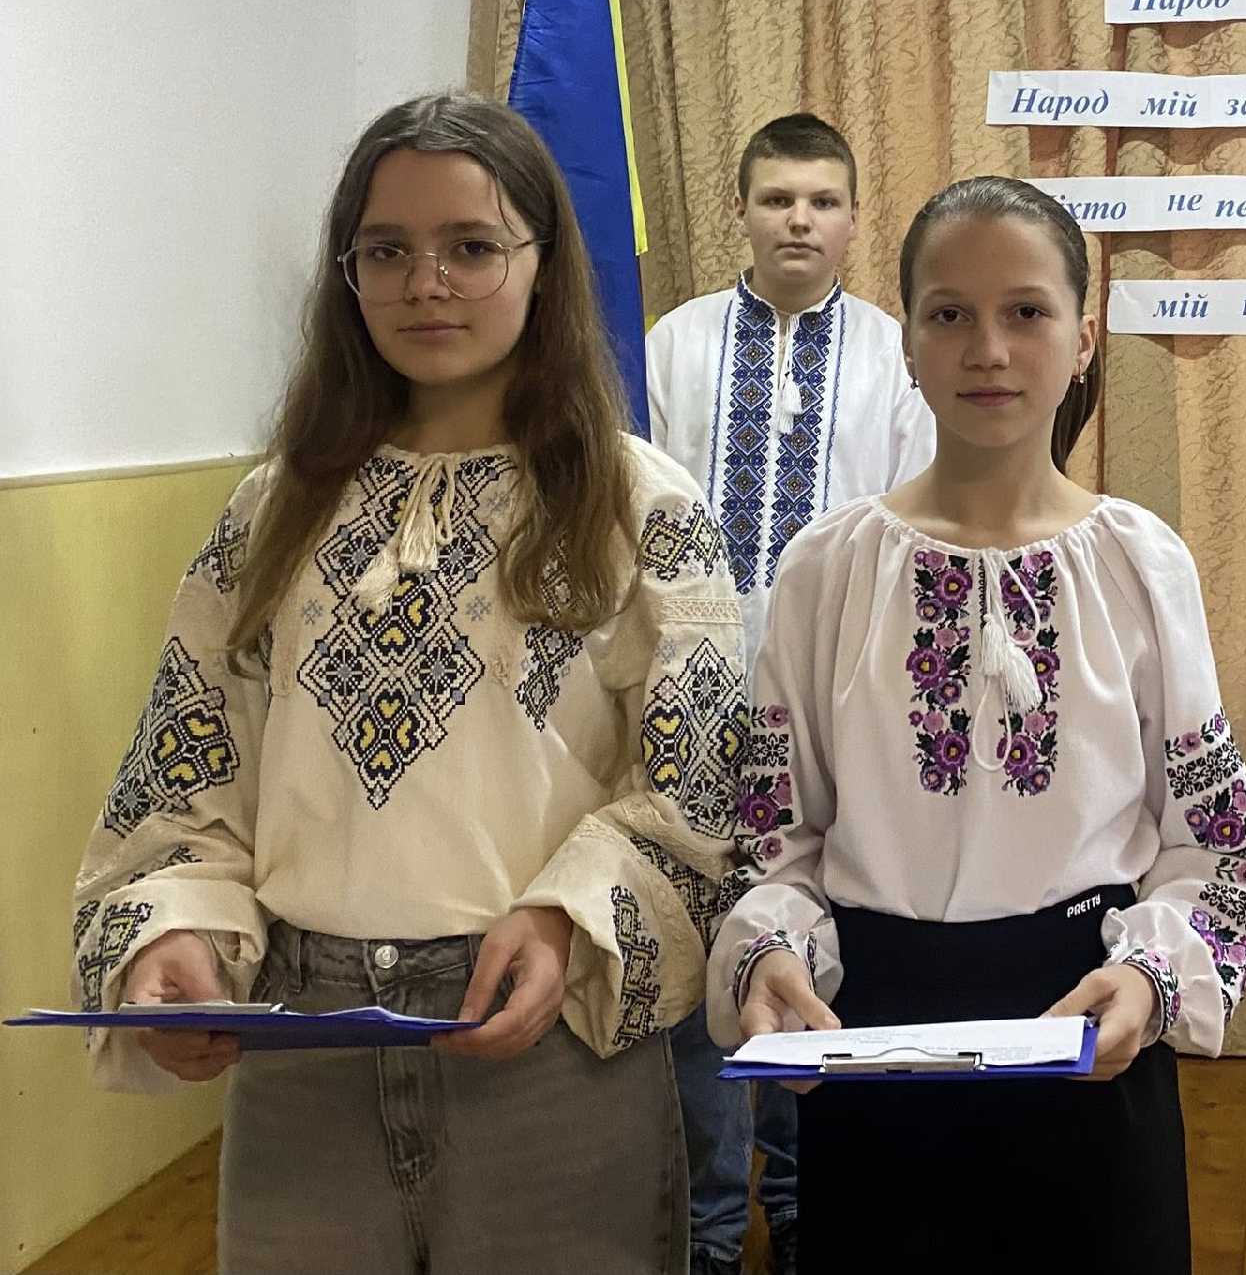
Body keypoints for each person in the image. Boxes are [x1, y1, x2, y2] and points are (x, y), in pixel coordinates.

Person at [70, 93, 745, 1275]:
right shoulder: (275, 509)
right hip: (305, 1052)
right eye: (386, 251)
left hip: (547, 1046)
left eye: (471, 247)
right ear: (348, 275)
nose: (426, 283)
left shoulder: (641, 506)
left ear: (542, 264)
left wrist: (567, 920)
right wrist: (176, 937)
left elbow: (702, 790)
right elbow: (190, 771)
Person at [707, 176, 1246, 1273]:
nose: (988, 349)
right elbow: (769, 843)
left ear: (1083, 338)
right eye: (950, 313)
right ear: (907, 344)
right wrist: (772, 952)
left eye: (1026, 311)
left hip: (1088, 1037)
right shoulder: (826, 569)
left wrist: (1151, 976)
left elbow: (1230, 854)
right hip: (874, 1052)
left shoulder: (1140, 564)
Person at [646, 112, 932, 1275]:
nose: (799, 220)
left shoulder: (897, 355)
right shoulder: (672, 345)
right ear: (742, 211)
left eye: (822, 200)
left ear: (855, 219)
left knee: (817, 952)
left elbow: (911, 533)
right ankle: (712, 1225)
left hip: (832, 710)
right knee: (702, 961)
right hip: (690, 704)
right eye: (777, 198)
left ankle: (810, 1203)